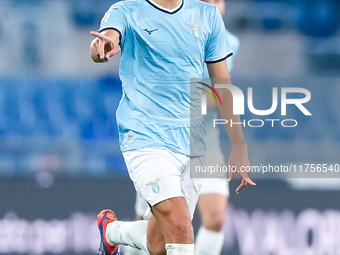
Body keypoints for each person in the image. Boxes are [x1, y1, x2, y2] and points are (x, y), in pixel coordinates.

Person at [90, 0, 255, 254]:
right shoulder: (126, 10)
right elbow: (106, 39)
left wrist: (238, 143)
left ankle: (112, 232)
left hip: (194, 142)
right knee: (179, 226)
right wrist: (102, 46)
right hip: (146, 136)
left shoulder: (208, 17)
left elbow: (222, 83)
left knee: (162, 242)